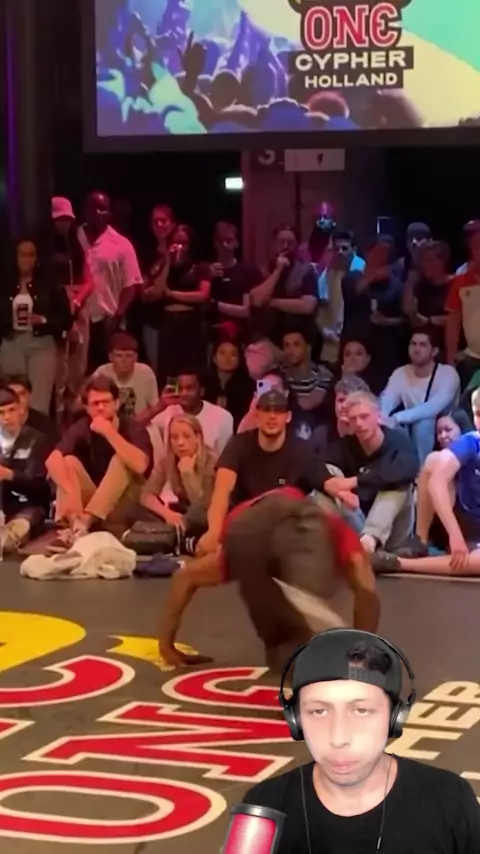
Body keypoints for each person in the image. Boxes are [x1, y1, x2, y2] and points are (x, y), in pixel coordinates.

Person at [157, 389, 379, 667]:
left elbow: (327, 481)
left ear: (287, 417)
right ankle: (167, 647)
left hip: (295, 528)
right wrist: (214, 531)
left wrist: (347, 489)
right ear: (257, 415)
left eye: (278, 412)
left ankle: (362, 653)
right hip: (252, 531)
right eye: (266, 411)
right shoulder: (241, 444)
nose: (272, 417)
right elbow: (222, 491)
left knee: (360, 565)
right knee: (188, 576)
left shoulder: (300, 449)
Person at [243, 629, 480, 854]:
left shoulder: (449, 800)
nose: (338, 738)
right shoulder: (265, 806)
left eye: (361, 711)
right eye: (318, 711)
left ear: (395, 717)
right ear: (296, 720)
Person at [372, 388, 480, 577]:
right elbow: (437, 479)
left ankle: (399, 564)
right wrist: (454, 534)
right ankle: (420, 540)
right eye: (478, 414)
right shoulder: (471, 442)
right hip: (465, 520)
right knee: (433, 461)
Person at [46, 376, 153, 541]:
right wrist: (71, 490)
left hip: (126, 502)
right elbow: (52, 460)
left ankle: (83, 523)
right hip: (95, 502)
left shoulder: (133, 427)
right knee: (68, 462)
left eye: (106, 402)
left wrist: (109, 433)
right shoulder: (82, 426)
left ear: (117, 403)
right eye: (95, 404)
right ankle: (72, 525)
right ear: (87, 408)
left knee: (121, 460)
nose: (101, 407)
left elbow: (141, 465)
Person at [326, 390, 420, 554]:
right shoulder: (345, 444)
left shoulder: (399, 442)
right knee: (328, 474)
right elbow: (313, 466)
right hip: (357, 522)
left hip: (394, 532)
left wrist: (354, 482)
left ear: (378, 416)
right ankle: (328, 544)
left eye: (364, 417)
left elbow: (407, 470)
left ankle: (369, 540)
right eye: (353, 419)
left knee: (398, 484)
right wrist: (338, 490)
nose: (359, 424)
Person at [0, 236, 72, 413]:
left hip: (42, 345)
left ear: (37, 258)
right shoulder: (4, 284)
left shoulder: (50, 285)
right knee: (13, 400)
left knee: (39, 403)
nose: (27, 259)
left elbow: (66, 319)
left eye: (31, 254)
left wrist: (43, 320)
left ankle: (38, 431)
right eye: (22, 254)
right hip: (12, 344)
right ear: (15, 257)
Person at [78, 191, 143, 372]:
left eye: (103, 209)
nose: (98, 213)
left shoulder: (122, 244)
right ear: (85, 210)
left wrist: (117, 315)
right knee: (76, 375)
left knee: (105, 375)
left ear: (109, 212)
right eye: (94, 208)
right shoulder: (74, 238)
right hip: (77, 320)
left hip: (106, 321)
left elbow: (131, 285)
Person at [247, 225, 318, 378]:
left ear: (297, 245)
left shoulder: (307, 271)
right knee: (254, 370)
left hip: (299, 339)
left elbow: (308, 306)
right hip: (270, 339)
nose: (286, 246)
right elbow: (257, 300)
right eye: (281, 242)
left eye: (290, 242)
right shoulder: (262, 271)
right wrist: (277, 271)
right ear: (274, 244)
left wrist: (272, 302)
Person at [380, 328, 460, 463]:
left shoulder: (448, 373)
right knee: (388, 426)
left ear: (434, 351)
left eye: (423, 345)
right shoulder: (400, 373)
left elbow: (433, 407)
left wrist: (396, 418)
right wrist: (381, 418)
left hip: (441, 426)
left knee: (423, 423)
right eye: (413, 344)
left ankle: (420, 470)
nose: (416, 349)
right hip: (408, 425)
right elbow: (386, 400)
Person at [51, 197, 93, 416]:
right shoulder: (47, 248)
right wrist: (66, 303)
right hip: (59, 307)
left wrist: (77, 301)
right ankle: (58, 416)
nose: (64, 224)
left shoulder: (77, 245)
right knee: (60, 367)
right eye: (60, 219)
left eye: (67, 219)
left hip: (79, 306)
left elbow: (90, 280)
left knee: (79, 365)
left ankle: (74, 413)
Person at [156, 224, 211, 383]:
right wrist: (168, 261)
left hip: (191, 323)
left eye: (183, 243)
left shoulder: (200, 267)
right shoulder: (163, 266)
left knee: (192, 370)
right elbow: (155, 292)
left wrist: (173, 294)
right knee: (169, 371)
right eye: (175, 242)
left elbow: (203, 295)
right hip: (168, 323)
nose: (179, 246)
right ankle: (173, 397)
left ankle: (193, 397)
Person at [141, 413, 216, 530]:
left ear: (198, 438)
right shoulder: (168, 460)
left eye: (186, 436)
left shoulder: (212, 462)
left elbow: (202, 506)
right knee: (139, 511)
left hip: (207, 516)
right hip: (182, 509)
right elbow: (146, 495)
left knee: (195, 515)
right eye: (174, 437)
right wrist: (167, 514)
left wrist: (187, 474)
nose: (180, 443)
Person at [0, 388, 52, 552]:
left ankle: (10, 537)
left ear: (21, 410)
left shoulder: (38, 440)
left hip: (28, 505)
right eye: (1, 412)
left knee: (24, 521)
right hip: (3, 504)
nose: (7, 417)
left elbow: (41, 487)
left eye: (11, 410)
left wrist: (10, 475)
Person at [151, 372, 233, 458]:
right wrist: (159, 406)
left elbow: (225, 458)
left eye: (189, 388)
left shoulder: (223, 417)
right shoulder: (167, 412)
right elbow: (142, 428)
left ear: (201, 391)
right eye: (180, 389)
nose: (184, 393)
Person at [316, 230, 365, 365]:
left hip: (357, 338)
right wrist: (327, 332)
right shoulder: (329, 273)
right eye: (337, 249)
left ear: (354, 250)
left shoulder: (362, 272)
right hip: (333, 340)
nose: (340, 252)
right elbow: (322, 306)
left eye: (344, 248)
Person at [209, 221, 262, 340]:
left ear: (237, 243)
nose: (224, 244)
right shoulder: (207, 271)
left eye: (229, 240)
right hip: (213, 335)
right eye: (220, 240)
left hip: (241, 336)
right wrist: (209, 278)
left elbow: (246, 310)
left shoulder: (248, 272)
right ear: (214, 243)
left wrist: (215, 305)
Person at [139, 203, 176, 370]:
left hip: (180, 322)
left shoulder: (184, 252)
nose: (160, 225)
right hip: (154, 321)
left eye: (163, 220)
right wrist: (166, 261)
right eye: (155, 222)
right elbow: (149, 294)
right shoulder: (147, 255)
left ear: (172, 223)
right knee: (157, 369)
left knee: (176, 370)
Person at [281, 328, 333, 441]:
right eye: (286, 345)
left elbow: (308, 404)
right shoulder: (280, 374)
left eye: (296, 344)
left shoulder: (323, 373)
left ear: (308, 347)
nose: (290, 350)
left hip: (314, 431)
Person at [94, 332, 158, 419]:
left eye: (128, 356)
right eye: (119, 356)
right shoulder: (101, 373)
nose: (123, 360)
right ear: (110, 357)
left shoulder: (146, 373)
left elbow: (155, 407)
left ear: (135, 357)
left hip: (142, 423)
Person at [445, 227, 480, 389]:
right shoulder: (460, 283)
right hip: (472, 359)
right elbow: (453, 322)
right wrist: (451, 360)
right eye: (476, 246)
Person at [203, 338, 255, 430]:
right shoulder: (202, 382)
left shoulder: (251, 385)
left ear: (240, 359)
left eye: (233, 354)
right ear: (214, 358)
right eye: (222, 353)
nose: (227, 358)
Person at [402, 240, 451, 337]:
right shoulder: (421, 286)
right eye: (423, 261)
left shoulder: (455, 284)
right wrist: (410, 284)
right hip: (424, 341)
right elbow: (407, 311)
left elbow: (460, 318)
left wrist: (430, 320)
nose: (424, 265)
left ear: (442, 262)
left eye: (429, 260)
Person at [6, 373, 59, 443]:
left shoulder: (47, 426)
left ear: (29, 396)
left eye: (22, 394)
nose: (18, 399)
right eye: (12, 395)